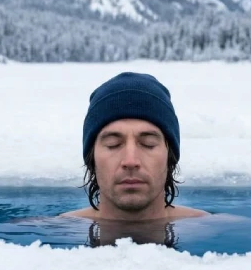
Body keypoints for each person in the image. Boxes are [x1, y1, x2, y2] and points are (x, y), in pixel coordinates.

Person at [60, 72, 209, 222]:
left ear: (170, 156)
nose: (130, 161)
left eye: (148, 144)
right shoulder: (58, 229)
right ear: (91, 158)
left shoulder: (208, 228)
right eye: (113, 144)